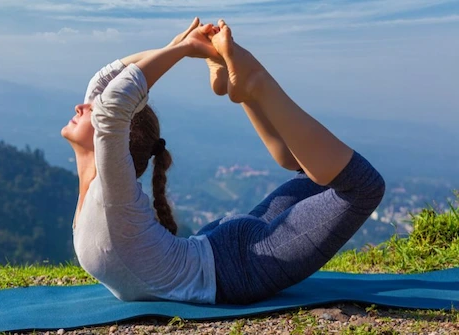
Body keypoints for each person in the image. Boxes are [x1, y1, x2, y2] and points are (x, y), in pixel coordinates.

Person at [61, 18, 385, 305]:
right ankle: (246, 91)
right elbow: (109, 98)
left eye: (92, 108)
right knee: (337, 178)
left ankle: (253, 85)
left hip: (232, 262)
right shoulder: (111, 192)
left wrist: (177, 47)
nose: (82, 106)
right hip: (228, 257)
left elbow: (106, 91)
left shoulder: (110, 191)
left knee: (355, 184)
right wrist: (181, 49)